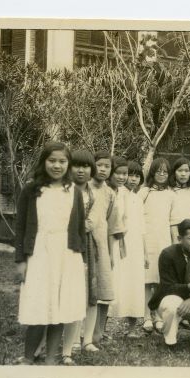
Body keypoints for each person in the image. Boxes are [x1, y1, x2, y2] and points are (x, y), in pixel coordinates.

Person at [14, 142, 86, 365]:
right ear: (43, 162)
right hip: (40, 254)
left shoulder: (73, 192)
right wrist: (21, 260)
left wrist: (79, 258)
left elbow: (79, 229)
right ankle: (28, 357)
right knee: (39, 304)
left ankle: (51, 359)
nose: (57, 165)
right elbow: (21, 227)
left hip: (67, 255)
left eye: (62, 161)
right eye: (52, 161)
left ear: (69, 164)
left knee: (61, 305)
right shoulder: (32, 190)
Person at [148, 219, 190, 347]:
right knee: (172, 305)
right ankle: (170, 342)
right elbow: (167, 287)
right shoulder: (167, 254)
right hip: (170, 297)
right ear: (180, 238)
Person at [80, 151, 122, 352]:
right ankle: (76, 334)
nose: (103, 169)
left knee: (103, 290)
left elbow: (113, 226)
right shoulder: (82, 188)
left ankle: (96, 335)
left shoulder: (110, 193)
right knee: (81, 288)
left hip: (102, 245)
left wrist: (111, 254)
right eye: (100, 165)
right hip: (81, 243)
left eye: (107, 166)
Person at [60, 149, 97, 365]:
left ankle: (86, 338)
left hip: (88, 245)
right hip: (65, 245)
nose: (81, 170)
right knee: (68, 292)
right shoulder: (64, 190)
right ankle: (69, 340)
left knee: (89, 291)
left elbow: (92, 222)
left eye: (85, 166)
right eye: (77, 166)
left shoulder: (93, 193)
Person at [109, 157, 149, 338]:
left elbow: (142, 228)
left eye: (136, 176)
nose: (132, 179)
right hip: (118, 243)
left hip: (135, 246)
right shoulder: (115, 194)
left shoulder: (138, 199)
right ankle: (101, 328)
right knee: (115, 283)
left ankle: (132, 328)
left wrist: (145, 253)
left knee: (134, 284)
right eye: (129, 175)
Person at [138, 158, 177, 333]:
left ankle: (159, 316)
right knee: (147, 280)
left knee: (162, 280)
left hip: (164, 240)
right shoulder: (144, 192)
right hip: (147, 240)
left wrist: (174, 244)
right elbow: (138, 219)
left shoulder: (171, 194)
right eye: (158, 171)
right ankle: (147, 316)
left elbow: (173, 221)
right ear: (152, 172)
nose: (161, 175)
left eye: (165, 172)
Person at [103, 156, 129, 338]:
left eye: (124, 174)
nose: (121, 177)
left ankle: (102, 327)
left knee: (111, 285)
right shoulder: (105, 192)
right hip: (105, 239)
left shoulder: (123, 193)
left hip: (118, 240)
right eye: (118, 173)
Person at [169, 157, 190, 243]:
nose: (183, 174)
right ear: (174, 173)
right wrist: (175, 241)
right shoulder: (169, 191)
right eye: (180, 171)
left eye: (186, 171)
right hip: (170, 233)